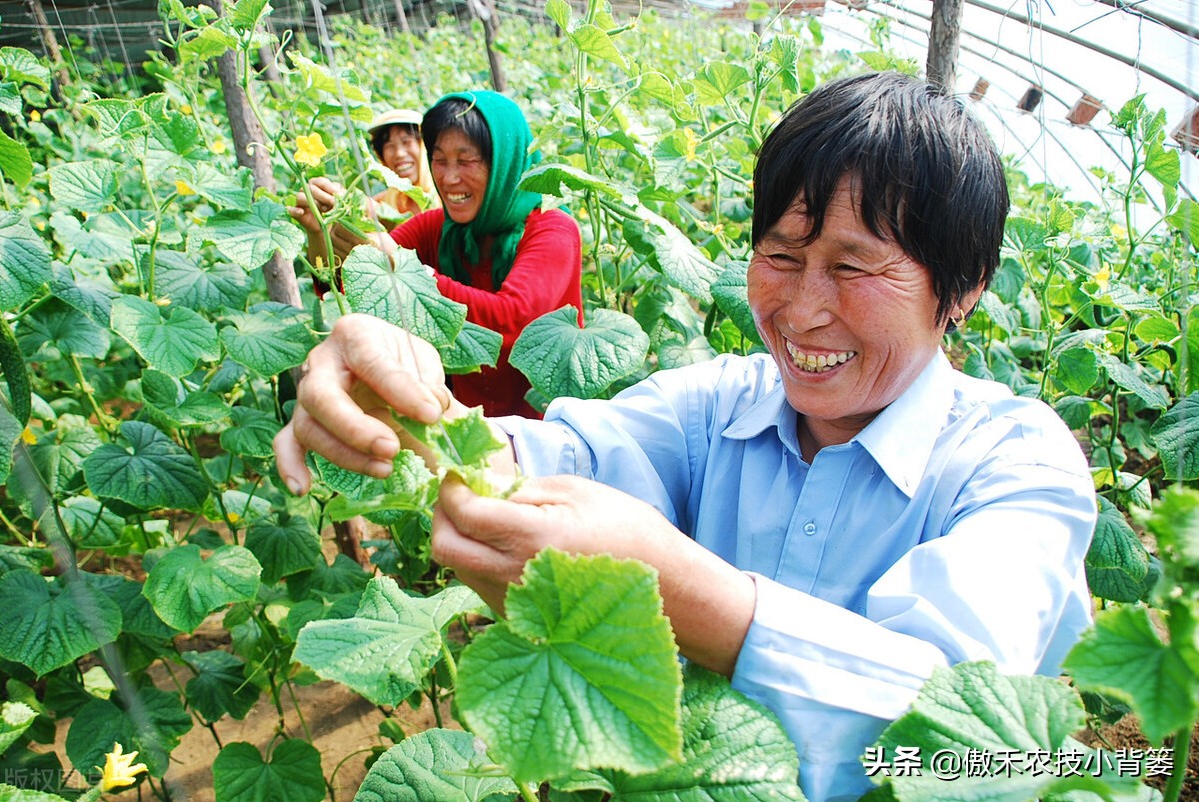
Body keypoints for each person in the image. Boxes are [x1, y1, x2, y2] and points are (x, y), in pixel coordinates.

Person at [274, 73, 1096, 802]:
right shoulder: (718, 404)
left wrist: (687, 595)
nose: (804, 308)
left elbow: (960, 744)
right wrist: (411, 412)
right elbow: (552, 457)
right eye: (780, 253)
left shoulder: (1017, 464)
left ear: (964, 290)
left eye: (853, 267)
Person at [290, 91, 583, 418]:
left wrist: (400, 262)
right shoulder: (441, 227)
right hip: (473, 425)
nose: (448, 177)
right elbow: (343, 284)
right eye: (439, 159)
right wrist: (321, 233)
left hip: (549, 430)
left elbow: (512, 320)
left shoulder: (553, 229)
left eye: (466, 160)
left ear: (505, 162)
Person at [366, 108, 438, 220]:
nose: (399, 154)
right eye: (389, 146)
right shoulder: (379, 207)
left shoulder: (446, 198)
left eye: (407, 142)